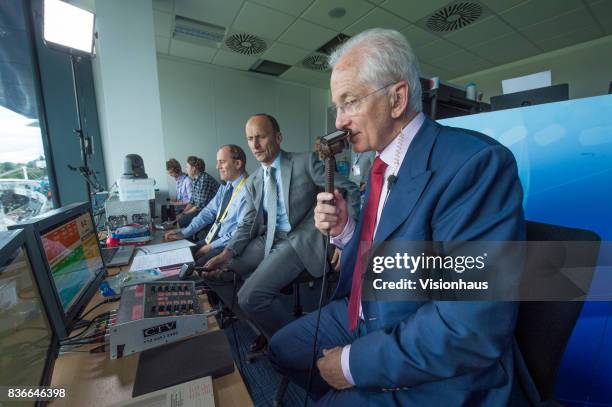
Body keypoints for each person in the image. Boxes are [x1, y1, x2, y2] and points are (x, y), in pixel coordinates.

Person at [268, 28, 527, 406]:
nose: (339, 121)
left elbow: (470, 326)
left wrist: (354, 366)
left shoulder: (476, 165)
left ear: (397, 98)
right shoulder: (382, 161)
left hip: (433, 355)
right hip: (365, 311)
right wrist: (346, 230)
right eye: (337, 106)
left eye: (349, 102)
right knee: (281, 350)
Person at [203, 113, 360, 351]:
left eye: (261, 137)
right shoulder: (254, 180)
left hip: (298, 240)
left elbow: (349, 189)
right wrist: (226, 253)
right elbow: (247, 224)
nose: (255, 144)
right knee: (214, 272)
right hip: (268, 239)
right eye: (250, 138)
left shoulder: (304, 162)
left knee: (249, 296)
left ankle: (301, 348)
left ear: (278, 137)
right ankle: (267, 328)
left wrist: (344, 238)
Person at [165, 145, 249, 266]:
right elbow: (208, 212)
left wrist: (210, 247)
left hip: (226, 244)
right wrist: (184, 233)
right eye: (217, 162)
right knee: (177, 256)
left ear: (237, 163)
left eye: (222, 162)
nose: (217, 166)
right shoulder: (225, 186)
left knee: (193, 267)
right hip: (212, 237)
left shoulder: (248, 191)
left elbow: (240, 232)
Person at [177, 156, 219, 229]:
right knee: (179, 218)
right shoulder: (195, 180)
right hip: (202, 209)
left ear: (193, 168)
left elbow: (200, 205)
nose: (186, 169)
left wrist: (184, 214)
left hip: (212, 211)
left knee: (180, 222)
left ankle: (185, 238)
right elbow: (192, 201)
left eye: (187, 167)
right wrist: (183, 212)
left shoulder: (204, 179)